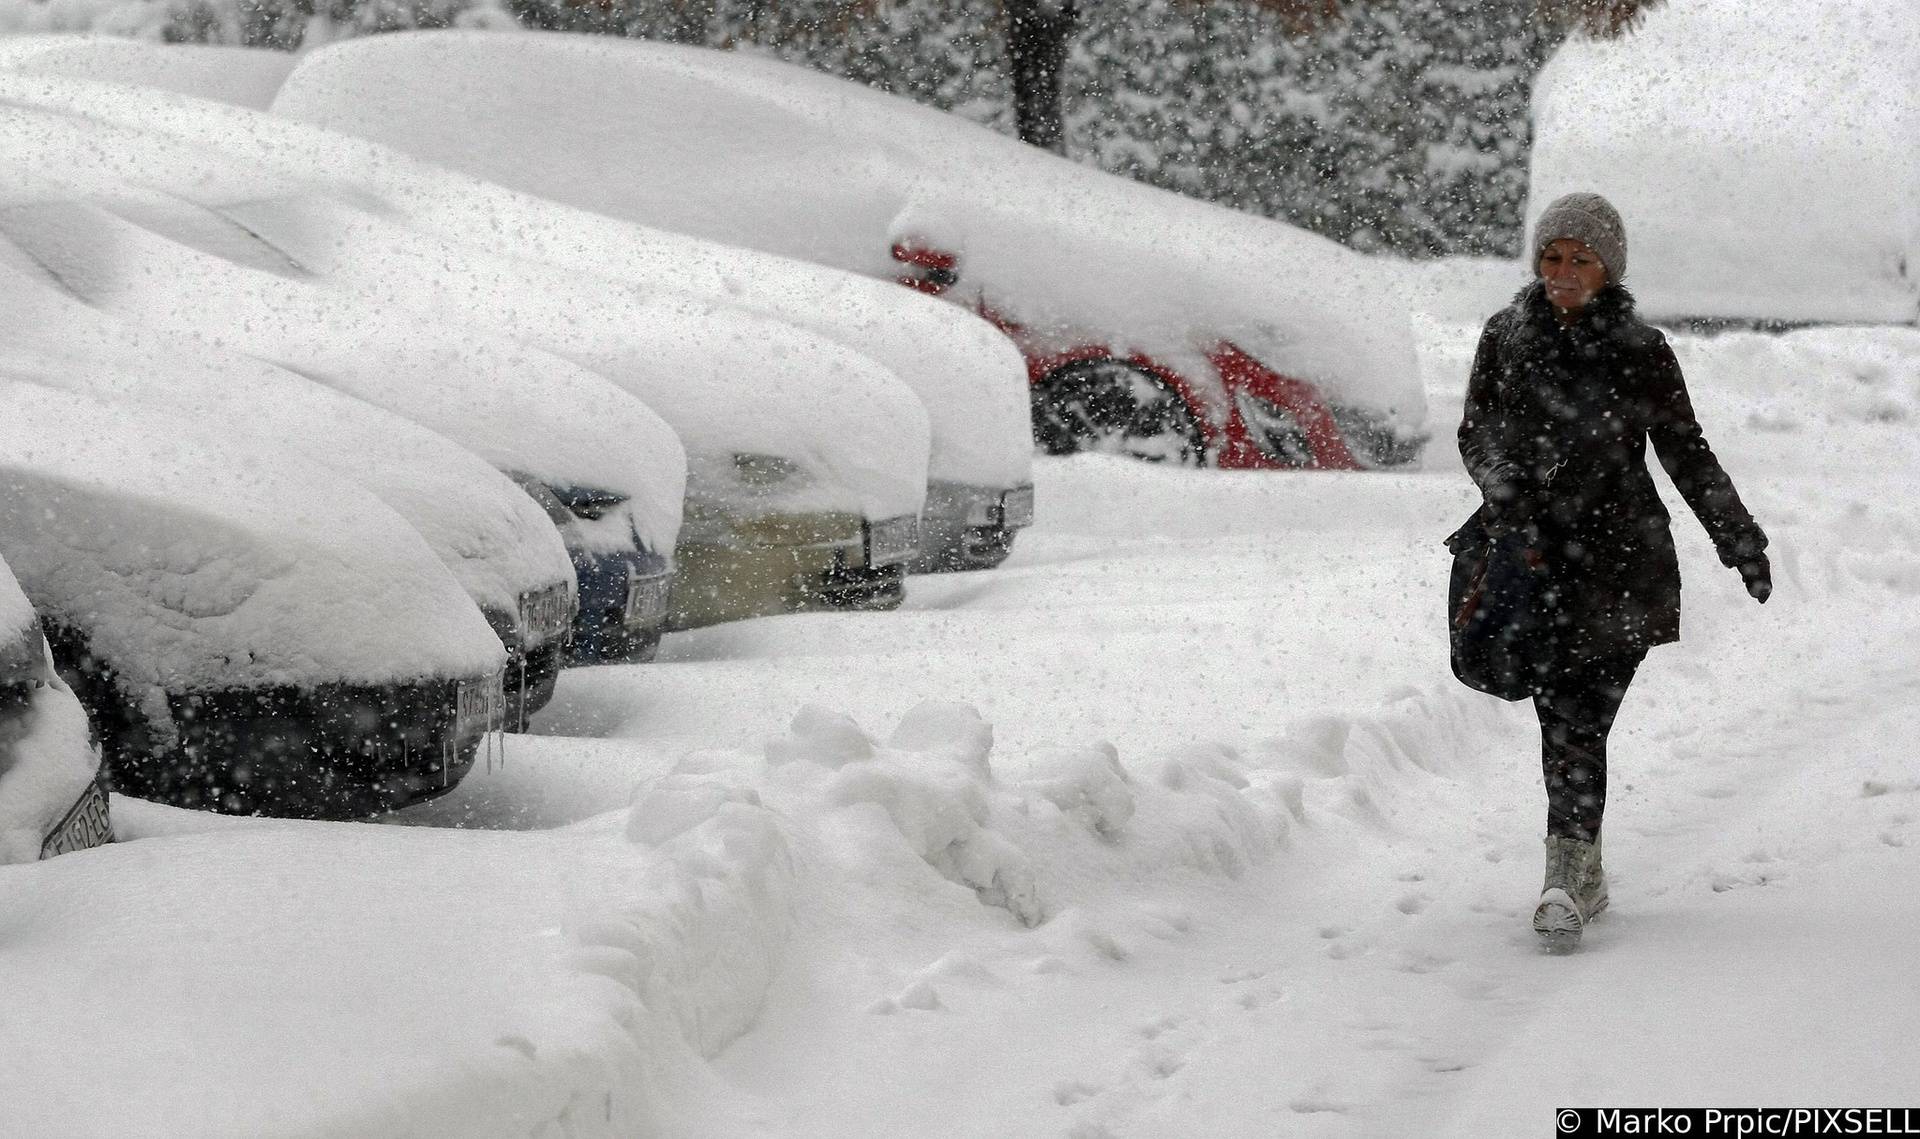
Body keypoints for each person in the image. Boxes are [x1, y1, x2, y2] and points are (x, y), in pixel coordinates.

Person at [1458, 191, 1771, 949]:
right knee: (1565, 714)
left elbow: (1684, 450)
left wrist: (1739, 539)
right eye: (1553, 255)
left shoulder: (1640, 349)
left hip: (1620, 562)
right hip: (1535, 556)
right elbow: (1477, 430)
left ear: (1609, 270)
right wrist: (1508, 492)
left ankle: (1574, 868)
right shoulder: (1506, 336)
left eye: (1581, 259)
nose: (1563, 271)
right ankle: (1572, 871)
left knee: (1581, 714)